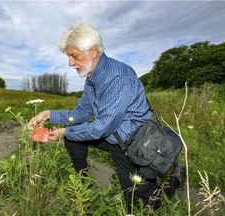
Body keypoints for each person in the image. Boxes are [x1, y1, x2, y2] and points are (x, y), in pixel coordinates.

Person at [27, 21, 185, 213]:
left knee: (143, 205)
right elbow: (82, 113)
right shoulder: (91, 78)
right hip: (111, 137)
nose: (70, 63)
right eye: (68, 56)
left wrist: (64, 131)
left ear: (93, 51)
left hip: (134, 145)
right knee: (73, 136)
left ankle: (176, 178)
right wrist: (49, 114)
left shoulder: (118, 76)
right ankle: (82, 183)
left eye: (74, 56)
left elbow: (101, 127)